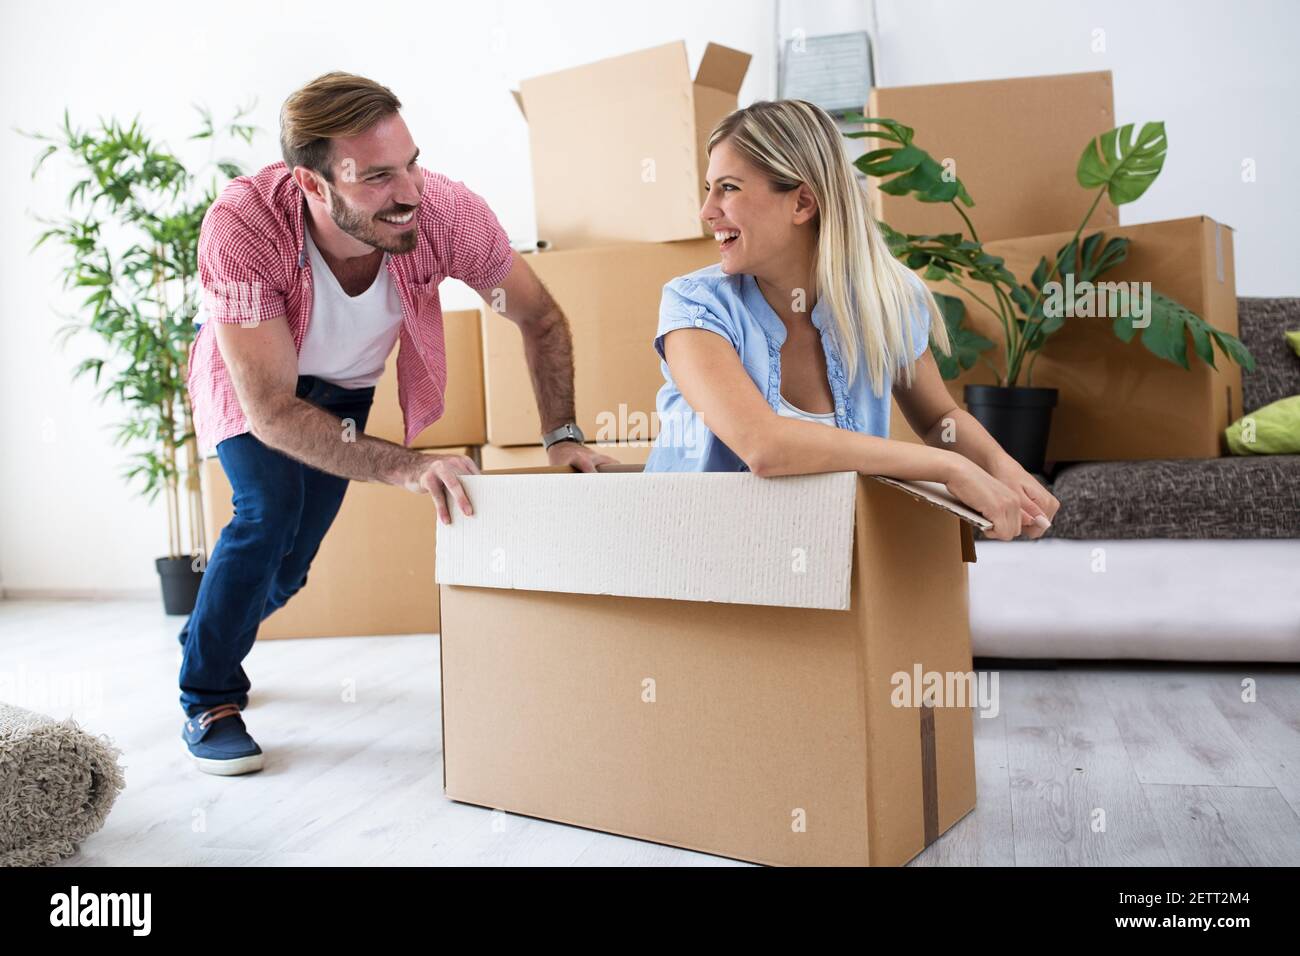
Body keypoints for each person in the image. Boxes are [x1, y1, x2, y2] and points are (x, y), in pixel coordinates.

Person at [179, 72, 614, 775]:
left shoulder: (443, 212)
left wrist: (562, 436)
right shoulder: (243, 225)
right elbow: (273, 410)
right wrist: (410, 466)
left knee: (289, 570)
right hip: (257, 379)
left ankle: (209, 630)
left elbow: (539, 317)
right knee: (268, 510)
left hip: (345, 388)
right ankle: (210, 695)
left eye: (410, 162)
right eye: (377, 176)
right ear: (312, 184)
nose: (408, 191)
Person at [644, 99, 1059, 539]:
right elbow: (763, 445)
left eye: (727, 188)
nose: (707, 211)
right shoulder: (695, 308)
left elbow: (940, 421)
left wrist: (1002, 468)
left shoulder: (886, 299)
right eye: (710, 189)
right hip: (695, 558)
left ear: (802, 202)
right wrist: (949, 467)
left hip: (825, 557)